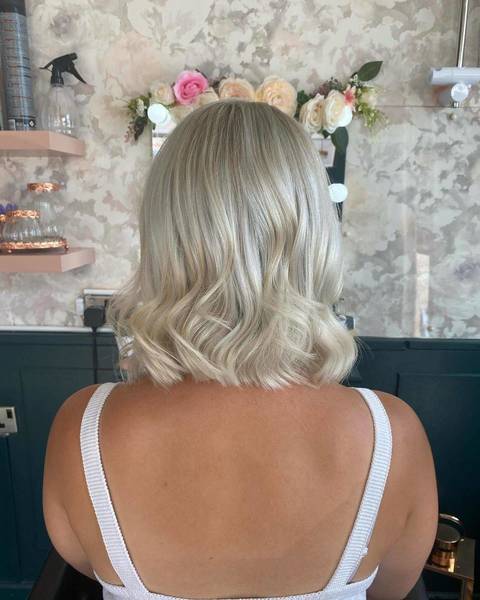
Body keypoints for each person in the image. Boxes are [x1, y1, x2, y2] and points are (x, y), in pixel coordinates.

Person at [43, 99, 438, 600]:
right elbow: (392, 591)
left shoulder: (81, 429)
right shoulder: (392, 436)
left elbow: (82, 559)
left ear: (164, 237)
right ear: (313, 235)